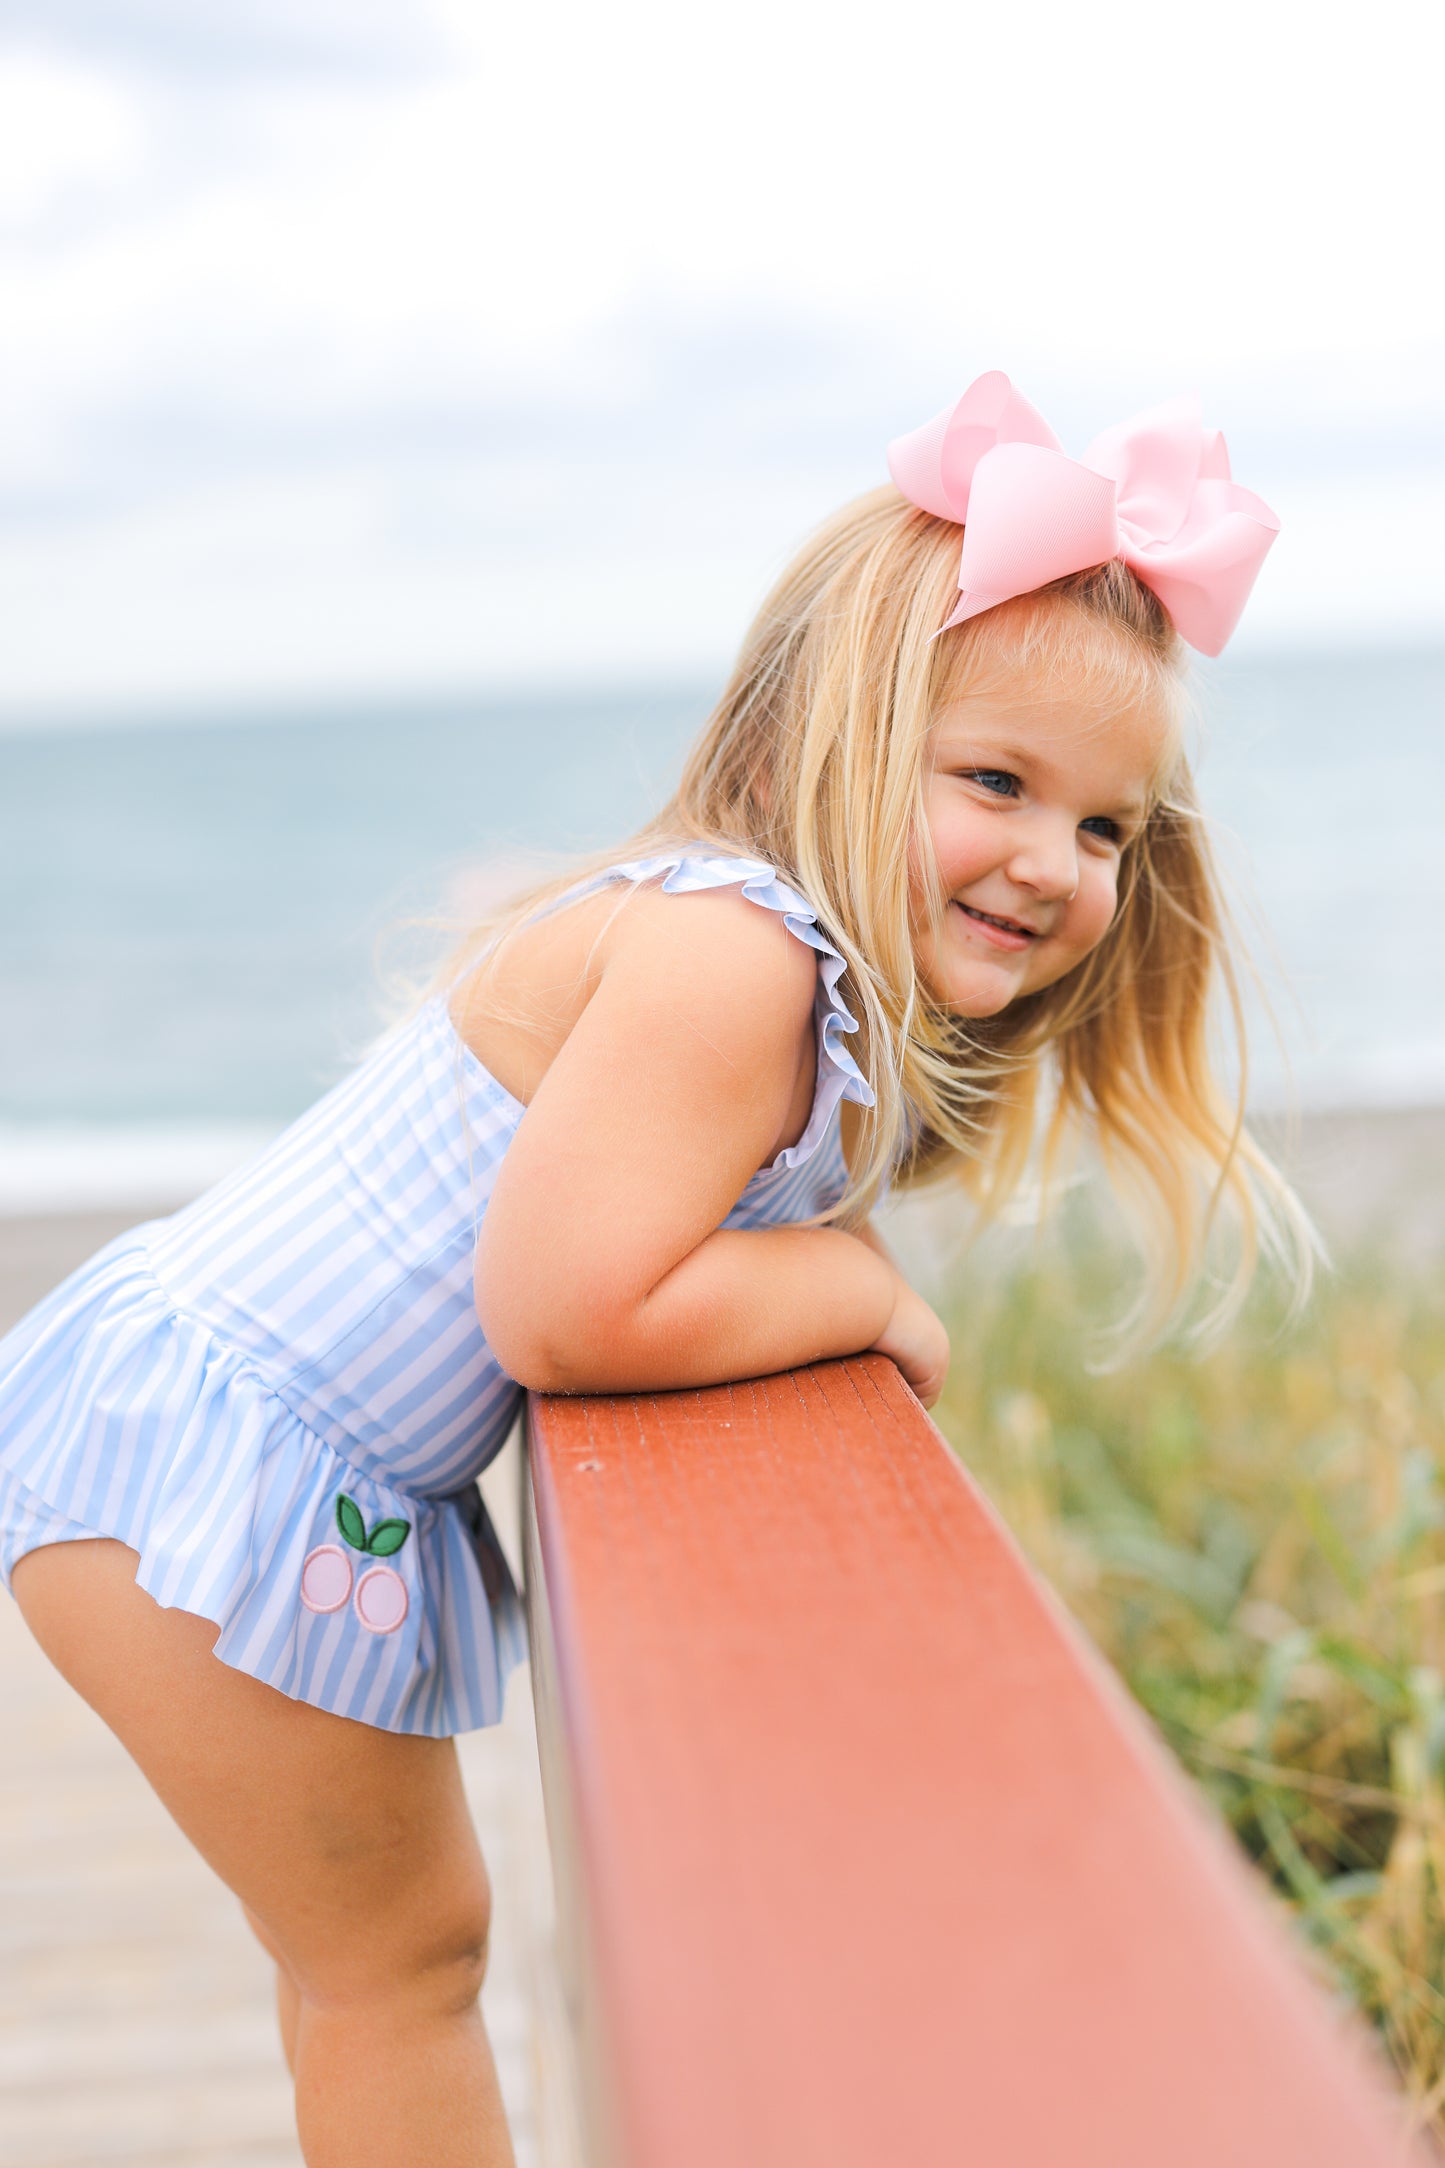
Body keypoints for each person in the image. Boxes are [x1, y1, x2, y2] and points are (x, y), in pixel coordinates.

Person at [0, 370, 1312, 2165]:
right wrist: (861, 1297)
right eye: (996, 782)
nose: (1054, 865)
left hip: (222, 1434)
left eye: (1102, 827)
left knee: (372, 1961)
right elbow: (567, 1312)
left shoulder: (755, 960)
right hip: (208, 1454)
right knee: (404, 1964)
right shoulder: (731, 964)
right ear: (831, 744)